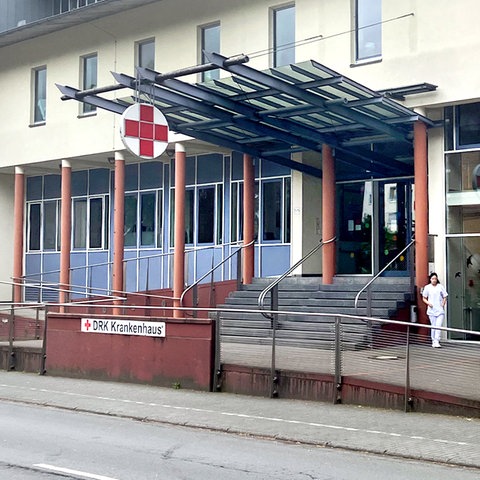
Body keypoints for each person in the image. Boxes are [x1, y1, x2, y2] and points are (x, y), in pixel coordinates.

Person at [422, 273, 448, 348]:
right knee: (433, 326)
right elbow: (424, 298)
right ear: (430, 279)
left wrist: (443, 303)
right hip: (431, 310)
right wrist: (428, 303)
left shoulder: (440, 287)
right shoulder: (427, 287)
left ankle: (437, 340)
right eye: (433, 279)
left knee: (438, 326)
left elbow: (445, 296)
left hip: (439, 310)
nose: (434, 280)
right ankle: (433, 340)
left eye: (435, 279)